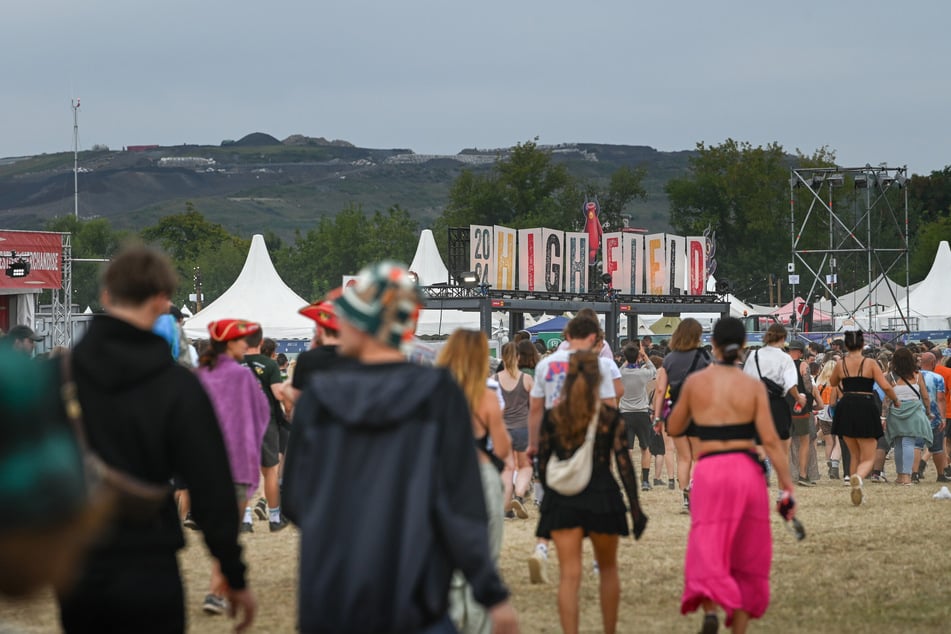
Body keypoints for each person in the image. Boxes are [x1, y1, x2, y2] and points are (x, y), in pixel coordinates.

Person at [283, 261, 518, 634]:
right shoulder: (440, 393)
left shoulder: (317, 398)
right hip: (415, 597)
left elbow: (295, 500)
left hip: (331, 597)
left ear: (362, 325)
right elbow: (461, 507)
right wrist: (492, 595)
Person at [57, 246, 256, 633]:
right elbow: (211, 486)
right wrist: (233, 573)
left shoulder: (59, 376)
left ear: (106, 297)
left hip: (79, 557)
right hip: (150, 553)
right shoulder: (178, 386)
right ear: (164, 301)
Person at [668, 317, 796, 634]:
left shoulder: (697, 383)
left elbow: (674, 427)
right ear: (742, 347)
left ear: (712, 344)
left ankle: (710, 608)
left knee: (708, 541)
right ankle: (738, 628)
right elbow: (770, 441)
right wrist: (786, 487)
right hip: (745, 469)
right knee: (748, 550)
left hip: (710, 469)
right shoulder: (751, 386)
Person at [535, 350, 647, 634]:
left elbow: (544, 464)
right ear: (600, 380)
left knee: (569, 576)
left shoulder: (555, 416)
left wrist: (549, 500)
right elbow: (624, 466)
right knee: (608, 570)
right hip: (603, 496)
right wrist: (635, 508)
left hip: (563, 498)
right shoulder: (610, 417)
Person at [526, 313, 622, 584]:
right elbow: (609, 405)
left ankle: (542, 548)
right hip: (589, 437)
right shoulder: (599, 365)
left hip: (555, 436)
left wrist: (533, 443)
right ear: (594, 338)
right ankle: (595, 561)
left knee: (553, 498)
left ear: (566, 335)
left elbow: (535, 408)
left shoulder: (546, 365)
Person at [437, 329, 511, 634]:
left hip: (442, 477)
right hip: (480, 474)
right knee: (485, 554)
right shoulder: (487, 396)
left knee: (444, 553)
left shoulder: (433, 394)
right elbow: (503, 448)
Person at [196, 319, 270, 615]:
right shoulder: (242, 378)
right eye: (241, 340)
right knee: (230, 533)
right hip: (237, 465)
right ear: (228, 343)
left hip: (204, 467)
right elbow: (261, 414)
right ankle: (215, 591)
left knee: (220, 531)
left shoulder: (198, 375)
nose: (246, 345)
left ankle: (218, 589)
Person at [829, 328, 901, 505]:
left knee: (854, 454)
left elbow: (832, 382)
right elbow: (885, 386)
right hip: (865, 404)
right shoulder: (870, 363)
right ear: (862, 344)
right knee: (868, 456)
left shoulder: (841, 363)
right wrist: (896, 400)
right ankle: (859, 478)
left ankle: (854, 482)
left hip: (846, 405)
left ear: (846, 345)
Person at [652, 318, 711, 511]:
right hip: (697, 411)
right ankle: (694, 489)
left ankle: (685, 495)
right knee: (697, 457)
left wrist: (658, 416)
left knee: (682, 457)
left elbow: (660, 390)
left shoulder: (669, 359)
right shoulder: (704, 357)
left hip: (674, 411)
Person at [742, 325, 807, 476]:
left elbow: (746, 382)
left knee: (759, 441)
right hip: (778, 404)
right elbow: (791, 384)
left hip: (758, 404)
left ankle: (763, 466)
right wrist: (799, 398)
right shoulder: (785, 358)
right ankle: (782, 488)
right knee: (782, 445)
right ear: (783, 338)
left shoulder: (754, 355)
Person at [242, 328, 289, 532]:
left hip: (241, 421)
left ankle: (245, 520)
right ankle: (275, 518)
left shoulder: (235, 362)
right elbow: (278, 394)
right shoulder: (270, 364)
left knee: (242, 471)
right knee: (269, 471)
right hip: (265, 420)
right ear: (260, 342)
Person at [493, 341, 534, 520]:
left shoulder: (494, 380)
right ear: (518, 357)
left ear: (502, 357)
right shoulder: (526, 379)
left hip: (503, 430)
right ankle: (519, 494)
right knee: (525, 466)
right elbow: (534, 407)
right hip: (523, 429)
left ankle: (506, 508)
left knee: (507, 469)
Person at [882, 348, 933, 485]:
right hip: (914, 410)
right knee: (909, 443)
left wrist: (883, 417)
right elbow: (925, 396)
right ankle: (907, 476)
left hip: (896, 411)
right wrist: (928, 411)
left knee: (898, 443)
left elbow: (887, 399)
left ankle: (900, 475)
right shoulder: (917, 375)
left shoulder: (890, 377)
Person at [618, 340, 657, 491]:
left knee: (627, 449)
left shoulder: (622, 373)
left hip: (625, 413)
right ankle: (645, 481)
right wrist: (644, 356)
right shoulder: (643, 373)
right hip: (641, 413)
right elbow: (653, 369)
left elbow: (621, 368)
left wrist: (628, 360)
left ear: (625, 357)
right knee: (644, 447)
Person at [918, 352, 949, 482]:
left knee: (916, 446)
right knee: (937, 447)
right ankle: (941, 474)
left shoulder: (913, 376)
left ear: (920, 363)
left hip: (916, 415)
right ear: (933, 362)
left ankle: (913, 474)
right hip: (934, 416)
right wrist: (942, 418)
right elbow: (941, 398)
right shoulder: (937, 377)